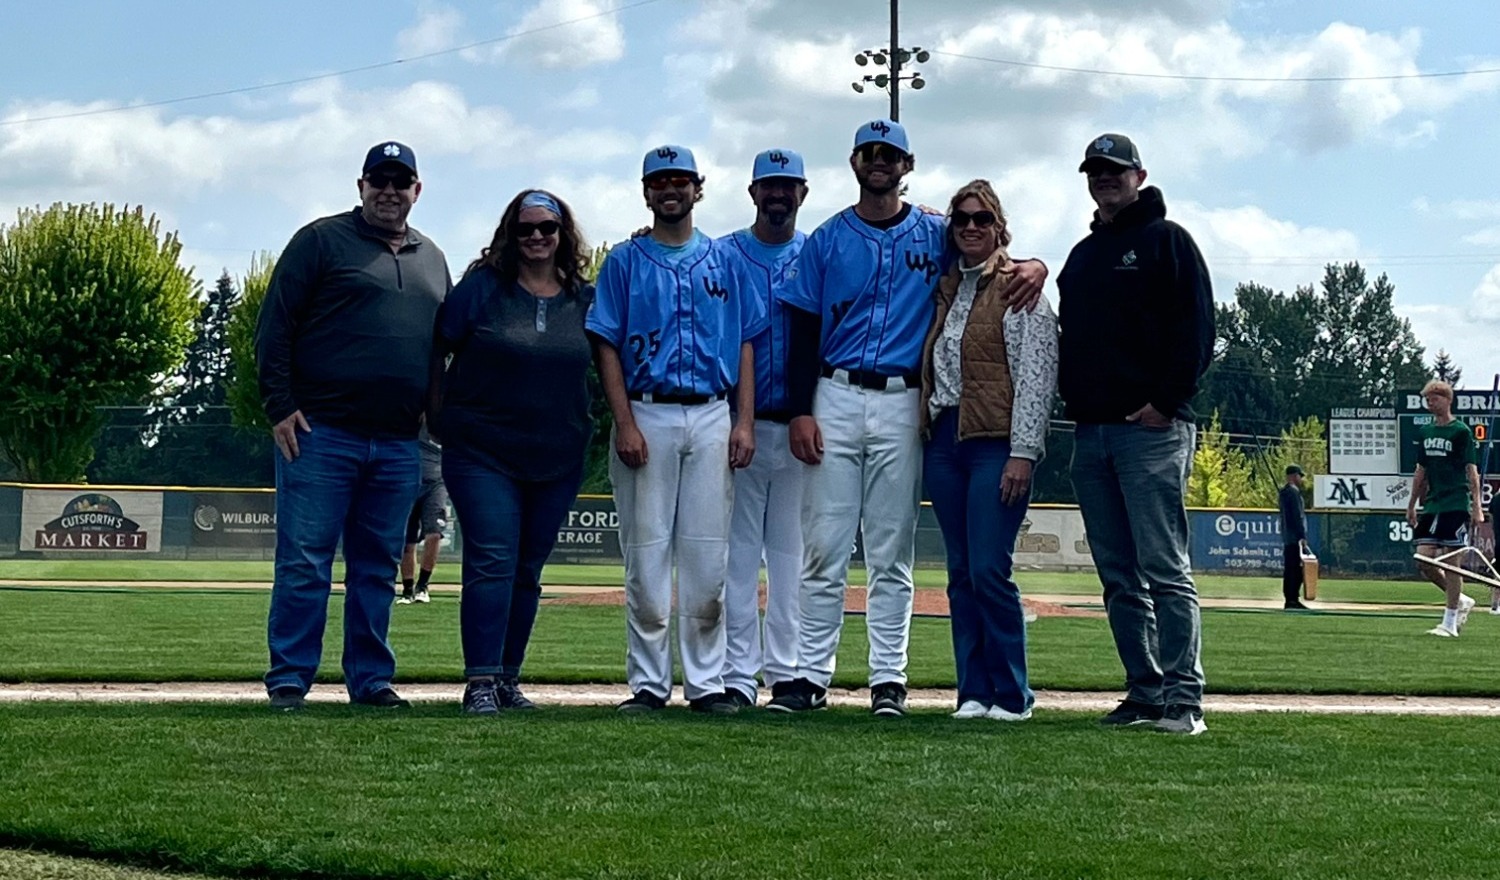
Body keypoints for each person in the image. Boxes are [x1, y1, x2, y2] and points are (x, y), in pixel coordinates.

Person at [768, 120, 1046, 717]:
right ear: (854, 161)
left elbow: (988, 250)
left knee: (891, 550)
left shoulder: (935, 231)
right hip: (835, 392)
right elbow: (802, 326)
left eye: (890, 154)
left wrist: (1036, 263)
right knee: (825, 546)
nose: (880, 162)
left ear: (907, 164)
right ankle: (809, 676)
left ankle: (888, 680)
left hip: (903, 401)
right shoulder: (827, 237)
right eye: (870, 153)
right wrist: (799, 411)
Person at [255, 141, 450, 711]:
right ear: (360, 186)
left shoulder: (433, 258)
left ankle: (370, 680)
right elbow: (275, 326)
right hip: (320, 433)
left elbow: (442, 349)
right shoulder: (321, 240)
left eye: (400, 181)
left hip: (399, 441)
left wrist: (439, 417)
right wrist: (279, 405)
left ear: (417, 190)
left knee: (377, 567)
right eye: (378, 180)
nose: (389, 191)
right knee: (304, 562)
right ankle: (290, 679)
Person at [586, 145, 767, 715]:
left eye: (680, 180)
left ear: (697, 188)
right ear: (646, 192)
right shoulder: (625, 261)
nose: (671, 189)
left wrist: (743, 420)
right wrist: (624, 422)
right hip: (648, 410)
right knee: (646, 556)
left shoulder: (724, 260)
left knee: (708, 558)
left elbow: (745, 342)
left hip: (712, 411)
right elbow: (606, 343)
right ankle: (648, 684)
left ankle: (707, 683)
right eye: (660, 181)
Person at [1057, 133, 1214, 735]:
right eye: (1095, 171)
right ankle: (1144, 691)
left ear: (1139, 176)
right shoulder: (1082, 256)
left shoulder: (1167, 240)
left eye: (1115, 170)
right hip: (1091, 433)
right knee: (1118, 576)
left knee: (1164, 569)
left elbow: (1199, 330)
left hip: (1150, 431)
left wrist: (1166, 403)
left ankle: (1184, 698)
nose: (1105, 179)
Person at [436, 189, 596, 714]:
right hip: (482, 450)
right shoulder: (482, 289)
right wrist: (436, 414)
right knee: (493, 560)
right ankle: (480, 680)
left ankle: (507, 678)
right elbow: (437, 346)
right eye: (525, 228)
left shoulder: (584, 298)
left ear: (562, 234)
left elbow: (608, 360)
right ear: (510, 233)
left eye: (547, 228)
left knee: (528, 568)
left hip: (556, 453)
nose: (536, 237)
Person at [919, 180, 1057, 722]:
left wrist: (1024, 452)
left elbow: (1037, 378)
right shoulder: (947, 287)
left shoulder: (1021, 289)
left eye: (982, 219)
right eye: (961, 220)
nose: (971, 228)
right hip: (944, 440)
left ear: (1000, 228)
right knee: (959, 573)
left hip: (996, 443)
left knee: (988, 570)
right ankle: (973, 691)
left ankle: (1013, 694)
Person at [719, 149, 811, 708]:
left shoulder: (817, 252)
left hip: (799, 426)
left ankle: (788, 669)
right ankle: (736, 673)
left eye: (787, 185)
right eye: (768, 185)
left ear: (803, 192)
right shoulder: (722, 253)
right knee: (737, 557)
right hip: (736, 427)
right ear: (753, 192)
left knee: (790, 557)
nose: (778, 194)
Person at [1406, 380, 1483, 637]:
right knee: (1423, 558)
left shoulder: (1461, 432)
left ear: (1447, 400)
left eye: (1435, 398)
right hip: (1433, 503)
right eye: (1427, 399)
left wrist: (1477, 506)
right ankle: (1461, 599)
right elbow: (1421, 471)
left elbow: (1471, 471)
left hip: (1456, 503)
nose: (1430, 403)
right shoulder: (1426, 432)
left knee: (1452, 562)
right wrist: (1412, 504)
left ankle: (1449, 623)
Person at [397, 424, 447, 605]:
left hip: (436, 482)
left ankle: (423, 585)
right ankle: (407, 589)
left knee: (434, 533)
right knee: (407, 540)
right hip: (408, 481)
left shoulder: (441, 422)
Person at [1279, 465, 1310, 611]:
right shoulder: (1293, 492)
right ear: (1293, 476)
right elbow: (1298, 516)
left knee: (1290, 569)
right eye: (1299, 476)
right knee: (1296, 570)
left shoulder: (1285, 492)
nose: (1300, 479)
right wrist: (1302, 536)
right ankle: (1293, 599)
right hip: (1294, 537)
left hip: (1288, 536)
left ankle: (1290, 598)